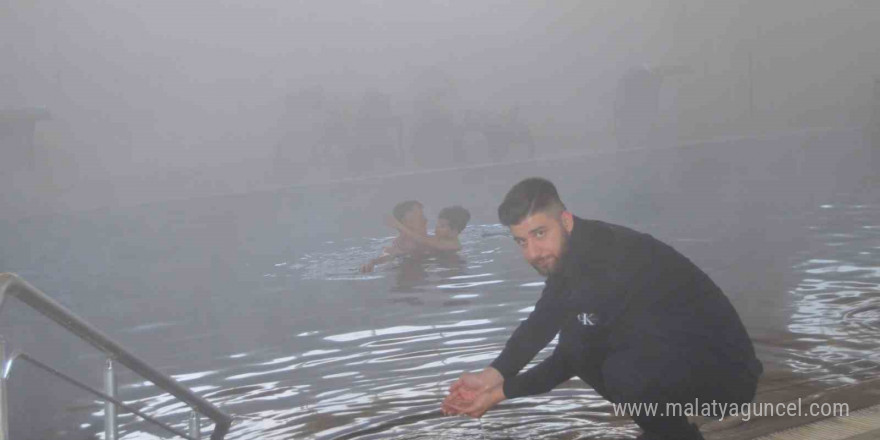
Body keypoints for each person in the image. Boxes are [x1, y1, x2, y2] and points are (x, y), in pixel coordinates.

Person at [442, 178, 762, 440]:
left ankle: (673, 434)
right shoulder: (580, 246)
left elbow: (567, 359)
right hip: (688, 358)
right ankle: (666, 431)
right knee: (599, 350)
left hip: (726, 378)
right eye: (521, 241)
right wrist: (492, 375)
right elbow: (545, 317)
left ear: (564, 220)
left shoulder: (608, 260)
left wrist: (500, 393)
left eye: (539, 233)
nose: (533, 252)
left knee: (600, 358)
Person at [360, 200, 428, 273]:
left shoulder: (428, 241)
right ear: (406, 222)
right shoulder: (401, 244)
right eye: (420, 217)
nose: (426, 220)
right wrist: (372, 263)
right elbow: (389, 254)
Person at [386, 205, 470, 253]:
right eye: (437, 224)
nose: (437, 228)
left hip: (451, 264)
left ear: (454, 232)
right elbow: (424, 241)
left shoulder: (452, 245)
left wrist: (400, 226)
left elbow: (422, 240)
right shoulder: (440, 239)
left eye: (442, 226)